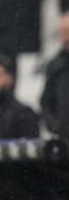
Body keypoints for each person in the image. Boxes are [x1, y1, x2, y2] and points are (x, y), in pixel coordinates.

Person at [40, 12, 69, 142]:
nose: (66, 38)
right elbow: (46, 101)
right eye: (63, 33)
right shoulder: (55, 66)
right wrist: (56, 126)